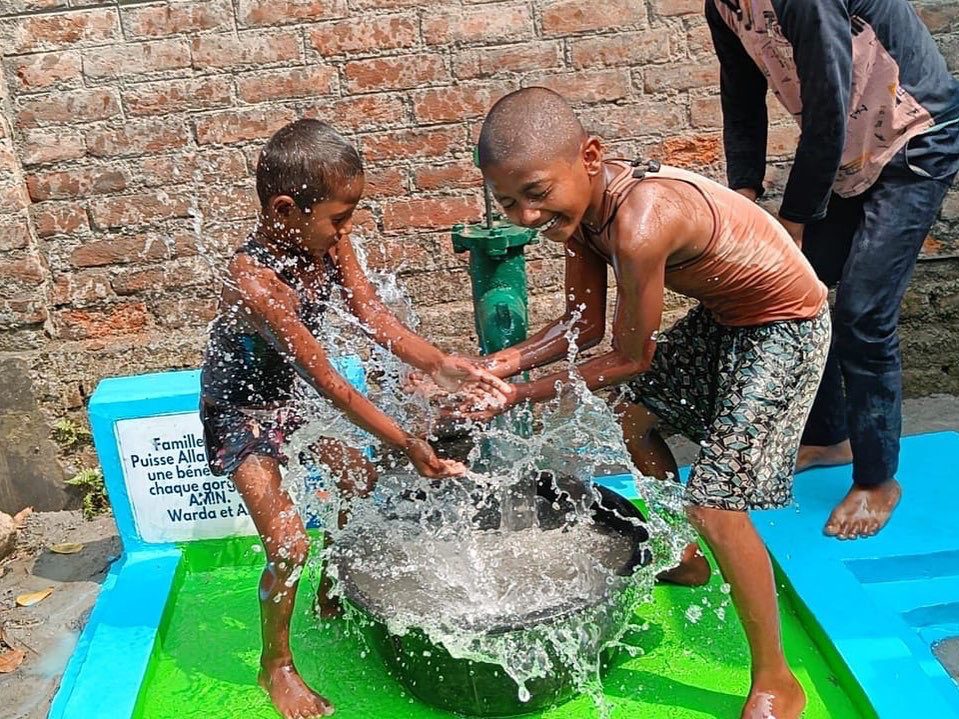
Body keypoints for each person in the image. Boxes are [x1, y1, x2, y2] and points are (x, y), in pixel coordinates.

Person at [465, 87, 830, 719]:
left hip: (787, 328)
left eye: (535, 192)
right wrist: (499, 362)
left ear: (591, 156)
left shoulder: (640, 223)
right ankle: (683, 555)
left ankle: (776, 679)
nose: (525, 216)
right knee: (632, 420)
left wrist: (518, 393)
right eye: (508, 202)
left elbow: (630, 357)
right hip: (728, 318)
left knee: (715, 504)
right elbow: (582, 328)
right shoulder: (580, 217)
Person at [199, 118, 508, 719]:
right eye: (340, 217)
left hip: (293, 388)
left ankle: (331, 589)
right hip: (241, 407)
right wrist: (409, 441)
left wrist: (446, 365)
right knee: (288, 544)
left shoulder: (327, 243)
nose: (348, 229)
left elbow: (374, 318)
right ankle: (277, 666)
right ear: (286, 210)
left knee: (356, 488)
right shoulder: (256, 284)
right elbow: (334, 386)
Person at [706, 0, 959, 539]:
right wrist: (744, 192)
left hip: (915, 133)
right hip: (845, 150)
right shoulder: (723, 6)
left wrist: (794, 217)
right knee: (796, 292)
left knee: (864, 313)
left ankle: (877, 480)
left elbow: (828, 101)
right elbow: (741, 96)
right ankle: (829, 435)